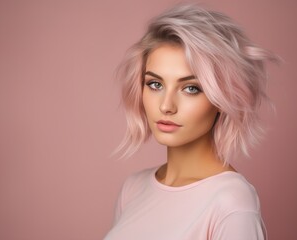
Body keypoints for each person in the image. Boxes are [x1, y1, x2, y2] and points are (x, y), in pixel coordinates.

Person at [104, 4, 276, 240]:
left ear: (221, 97)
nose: (166, 105)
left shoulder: (231, 203)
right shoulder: (133, 189)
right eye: (155, 84)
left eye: (191, 88)